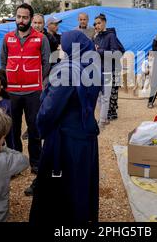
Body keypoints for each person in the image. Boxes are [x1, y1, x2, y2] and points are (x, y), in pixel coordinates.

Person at [30, 31, 101, 223]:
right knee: (80, 184)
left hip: (66, 139)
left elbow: (50, 109)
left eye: (63, 44)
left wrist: (40, 128)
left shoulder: (67, 70)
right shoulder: (93, 66)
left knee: (63, 188)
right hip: (85, 134)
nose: (60, 48)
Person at [0, 3, 50, 173]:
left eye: (25, 17)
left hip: (33, 92)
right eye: (19, 17)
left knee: (34, 128)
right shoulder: (7, 38)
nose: (21, 20)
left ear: (31, 18)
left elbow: (46, 63)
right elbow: (3, 61)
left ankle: (36, 162)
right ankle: (16, 163)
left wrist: (40, 84)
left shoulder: (41, 38)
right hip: (12, 91)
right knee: (12, 129)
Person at [93, 13, 125, 128]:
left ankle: (102, 121)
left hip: (107, 70)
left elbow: (116, 53)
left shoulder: (111, 36)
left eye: (99, 23)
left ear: (104, 22)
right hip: (97, 70)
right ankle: (104, 117)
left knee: (106, 97)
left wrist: (100, 51)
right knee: (98, 96)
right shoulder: (96, 37)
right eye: (95, 23)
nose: (97, 25)